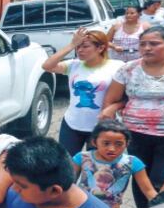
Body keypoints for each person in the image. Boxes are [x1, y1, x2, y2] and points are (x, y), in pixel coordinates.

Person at [102, 26, 164, 208]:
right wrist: (112, 112)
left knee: (163, 180)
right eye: (143, 44)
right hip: (136, 135)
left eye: (154, 44)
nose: (147, 48)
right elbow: (112, 99)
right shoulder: (129, 69)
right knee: (141, 178)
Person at [42, 27, 122, 156]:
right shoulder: (73, 65)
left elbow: (127, 96)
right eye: (78, 47)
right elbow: (47, 66)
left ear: (100, 48)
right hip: (72, 124)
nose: (79, 50)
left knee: (97, 169)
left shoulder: (117, 66)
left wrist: (114, 107)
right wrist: (71, 44)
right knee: (67, 166)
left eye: (85, 46)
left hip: (101, 127)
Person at [73, 119, 157, 208]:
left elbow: (149, 191)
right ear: (94, 142)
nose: (112, 149)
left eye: (119, 144)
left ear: (127, 143)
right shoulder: (82, 158)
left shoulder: (133, 162)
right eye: (106, 143)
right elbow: (68, 184)